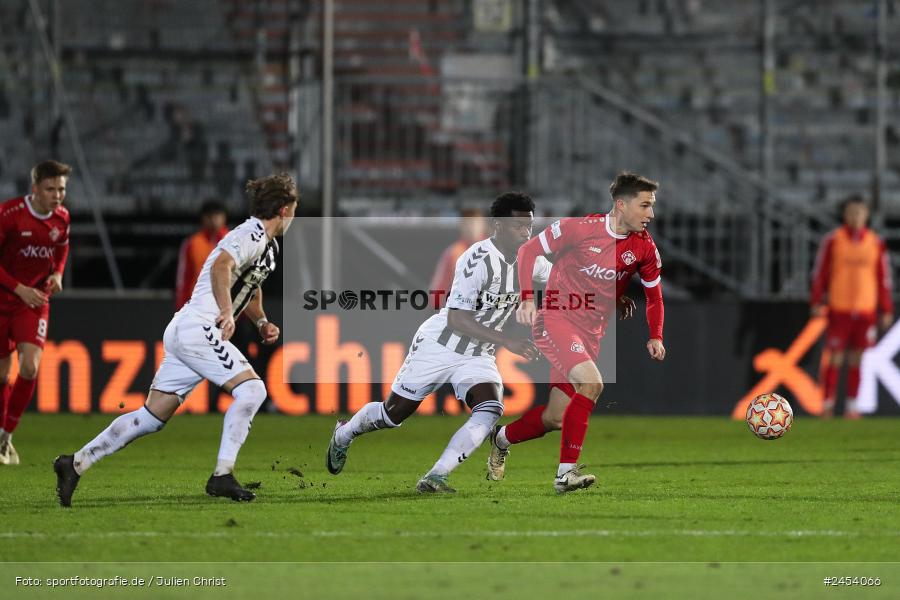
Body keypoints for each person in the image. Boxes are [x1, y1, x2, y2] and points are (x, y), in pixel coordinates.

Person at [53, 173, 299, 506]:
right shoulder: (251, 232)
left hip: (187, 329)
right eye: (294, 209)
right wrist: (227, 312)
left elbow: (251, 288)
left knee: (152, 417)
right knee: (253, 390)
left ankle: (76, 463)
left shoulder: (268, 245)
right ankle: (222, 475)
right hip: (199, 328)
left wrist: (261, 322)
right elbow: (221, 268)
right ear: (284, 209)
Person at [326, 192, 549, 493]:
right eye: (518, 227)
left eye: (529, 226)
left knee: (490, 409)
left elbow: (563, 276)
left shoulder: (528, 259)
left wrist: (614, 287)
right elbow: (457, 319)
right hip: (440, 345)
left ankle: (436, 475)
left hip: (477, 355)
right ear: (497, 225)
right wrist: (507, 340)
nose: (525, 233)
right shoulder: (476, 259)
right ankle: (344, 433)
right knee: (393, 414)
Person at [488, 172, 666, 493]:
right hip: (556, 318)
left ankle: (501, 438)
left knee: (555, 418)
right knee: (592, 383)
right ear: (621, 205)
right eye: (645, 206)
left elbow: (654, 295)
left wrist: (656, 335)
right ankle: (565, 474)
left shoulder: (644, 248)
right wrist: (527, 299)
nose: (651, 214)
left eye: (651, 206)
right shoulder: (578, 228)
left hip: (591, 332)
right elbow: (528, 252)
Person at [0, 160, 72, 465]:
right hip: (5, 298)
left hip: (35, 301)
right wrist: (18, 288)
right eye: (51, 189)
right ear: (35, 188)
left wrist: (57, 274)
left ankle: (6, 436)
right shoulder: (9, 216)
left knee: (29, 367)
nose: (57, 195)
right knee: (2, 374)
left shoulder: (62, 218)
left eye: (62, 189)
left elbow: (61, 250)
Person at [811, 195, 893, 419]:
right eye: (852, 212)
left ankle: (852, 406)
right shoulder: (833, 240)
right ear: (845, 215)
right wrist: (817, 300)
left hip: (865, 309)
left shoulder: (875, 242)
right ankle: (827, 404)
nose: (856, 216)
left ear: (866, 215)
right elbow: (820, 273)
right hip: (840, 307)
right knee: (835, 357)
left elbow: (883, 277)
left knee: (858, 358)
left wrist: (886, 307)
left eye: (860, 212)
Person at [176, 200, 228, 310]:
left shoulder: (233, 240)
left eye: (217, 215)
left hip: (229, 306)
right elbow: (184, 278)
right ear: (203, 218)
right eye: (209, 216)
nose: (214, 220)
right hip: (200, 306)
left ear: (224, 217)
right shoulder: (192, 243)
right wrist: (182, 307)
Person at [429, 208, 486, 307]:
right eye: (467, 224)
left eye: (474, 223)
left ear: (482, 224)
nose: (471, 227)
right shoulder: (452, 253)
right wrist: (434, 306)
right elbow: (440, 285)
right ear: (461, 226)